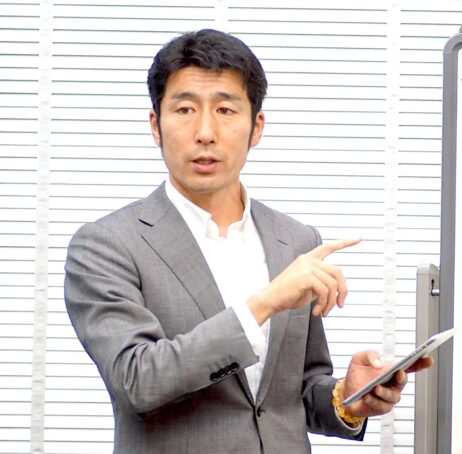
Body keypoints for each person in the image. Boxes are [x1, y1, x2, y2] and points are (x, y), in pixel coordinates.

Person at [64, 28, 433, 454]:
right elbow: (138, 380)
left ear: (256, 127)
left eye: (225, 109)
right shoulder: (107, 244)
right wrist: (267, 301)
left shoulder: (294, 240)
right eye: (184, 109)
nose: (205, 131)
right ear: (155, 125)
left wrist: (347, 397)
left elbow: (291, 394)